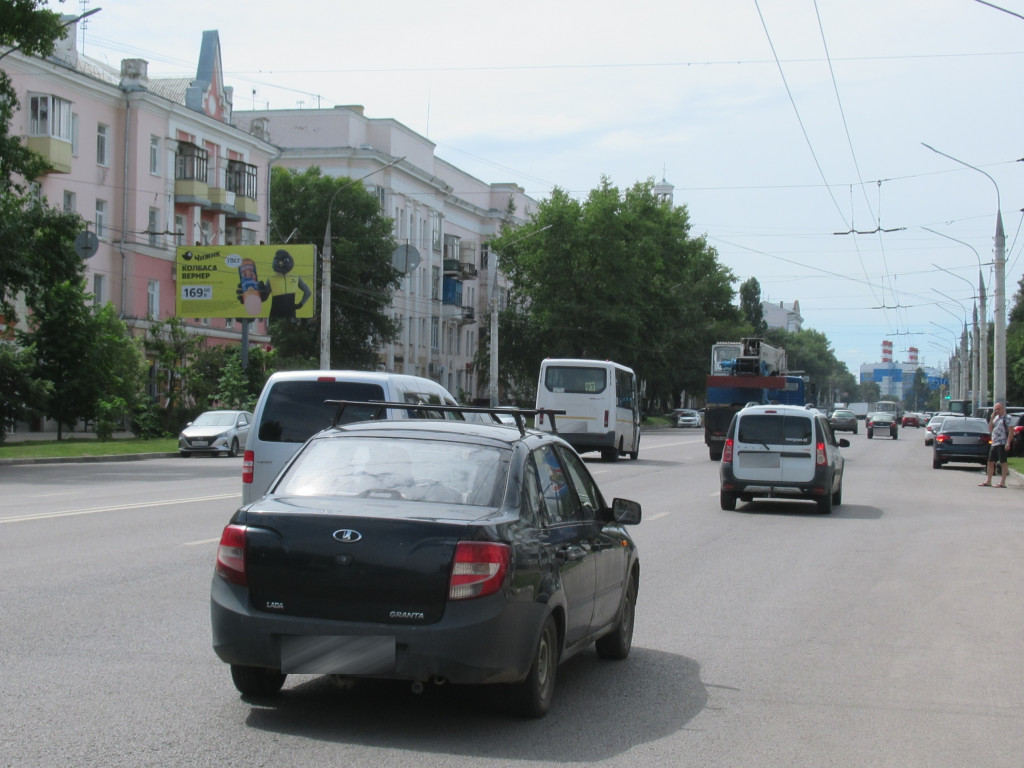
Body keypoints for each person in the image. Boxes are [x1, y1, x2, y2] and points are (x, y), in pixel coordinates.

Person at [980, 402, 1011, 487]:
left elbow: (1011, 431)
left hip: (1002, 442)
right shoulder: (996, 418)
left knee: (1003, 462)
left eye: (998, 409)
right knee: (990, 462)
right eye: (995, 409)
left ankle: (1003, 482)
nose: (996, 411)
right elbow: (990, 429)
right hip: (994, 442)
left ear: (1002, 409)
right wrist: (992, 418)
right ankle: (989, 481)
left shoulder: (1007, 418)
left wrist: (1008, 443)